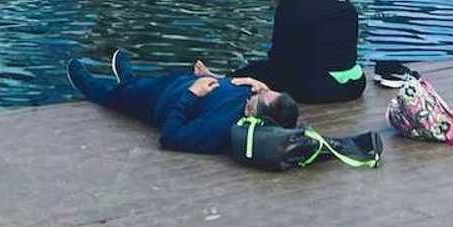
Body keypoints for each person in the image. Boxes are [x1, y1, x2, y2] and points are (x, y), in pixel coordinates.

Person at [68, 52, 300, 155]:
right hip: (178, 83)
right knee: (137, 86)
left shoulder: (219, 128)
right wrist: (215, 76)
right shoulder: (255, 97)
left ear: (254, 114)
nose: (259, 90)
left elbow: (171, 137)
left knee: (117, 96)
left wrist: (191, 94)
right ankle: (129, 80)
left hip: (163, 100)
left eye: (261, 94)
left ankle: (93, 87)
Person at [232, 0, 366, 103]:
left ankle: (220, 84)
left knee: (255, 71)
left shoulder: (291, 5)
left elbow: (278, 58)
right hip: (355, 83)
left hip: (319, 89)